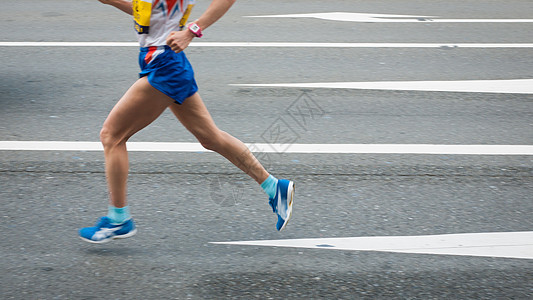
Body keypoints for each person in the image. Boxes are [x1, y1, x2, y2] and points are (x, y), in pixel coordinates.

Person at [79, 0, 294, 244]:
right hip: (162, 62)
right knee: (210, 138)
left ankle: (119, 219)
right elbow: (153, 12)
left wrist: (192, 30)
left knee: (112, 136)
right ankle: (274, 187)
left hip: (165, 65)